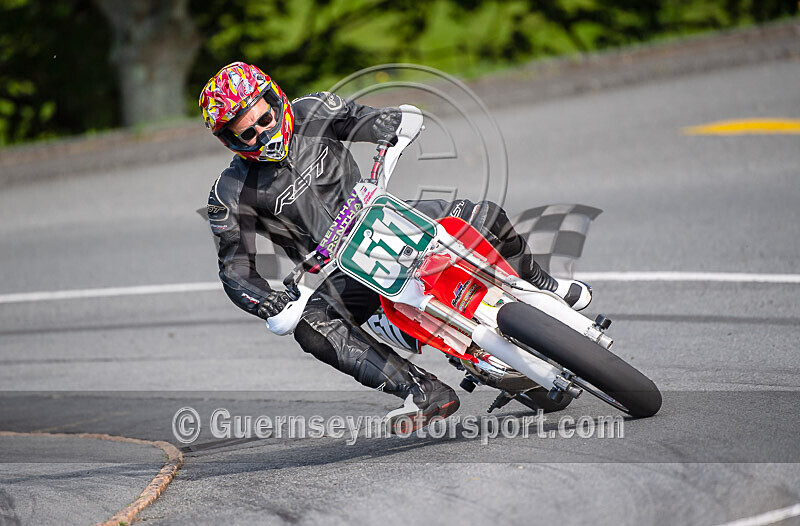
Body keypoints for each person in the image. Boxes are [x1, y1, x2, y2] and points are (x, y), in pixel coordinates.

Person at [199, 62, 592, 432]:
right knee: (309, 327)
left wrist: (390, 122)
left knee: (483, 214)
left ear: (276, 102)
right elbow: (235, 268)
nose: (263, 135)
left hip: (388, 219)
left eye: (264, 119)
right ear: (230, 140)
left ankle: (543, 285)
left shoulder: (316, 109)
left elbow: (366, 120)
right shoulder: (229, 192)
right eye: (247, 133)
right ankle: (422, 391)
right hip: (341, 269)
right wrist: (264, 301)